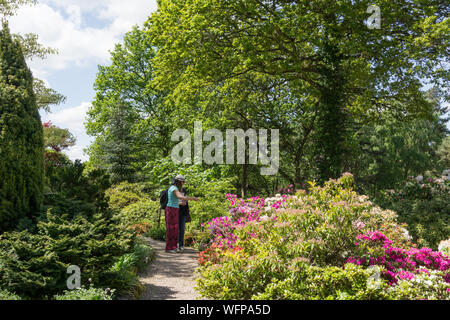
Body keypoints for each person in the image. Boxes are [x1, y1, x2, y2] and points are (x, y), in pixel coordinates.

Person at [165, 175, 198, 253]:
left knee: (175, 229)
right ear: (179, 182)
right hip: (171, 209)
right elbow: (179, 196)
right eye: (183, 182)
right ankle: (170, 248)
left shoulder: (175, 188)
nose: (184, 183)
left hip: (175, 209)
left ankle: (173, 247)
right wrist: (192, 198)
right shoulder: (174, 188)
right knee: (171, 229)